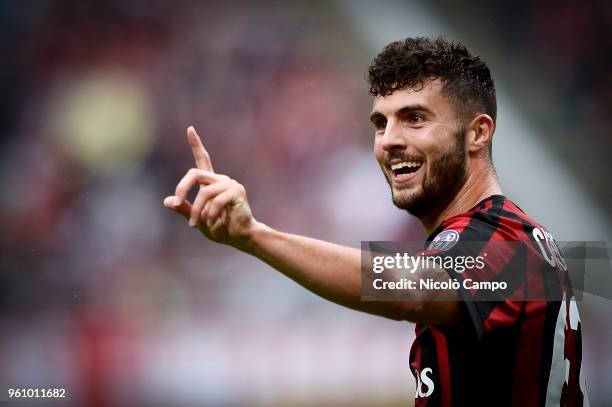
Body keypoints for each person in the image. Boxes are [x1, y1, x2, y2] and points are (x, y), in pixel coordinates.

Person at [163, 37, 587, 406]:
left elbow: (411, 293)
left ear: (477, 133)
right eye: (381, 123)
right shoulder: (506, 238)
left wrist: (254, 236)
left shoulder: (507, 241)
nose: (390, 140)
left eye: (415, 118)